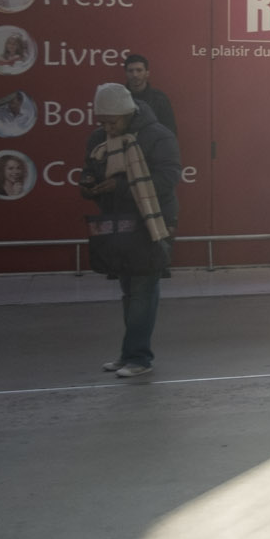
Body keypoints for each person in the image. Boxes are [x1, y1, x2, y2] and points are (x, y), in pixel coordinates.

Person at [80, 83, 180, 379]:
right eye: (102, 122)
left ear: (129, 113)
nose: (107, 128)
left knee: (142, 289)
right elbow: (90, 167)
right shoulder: (98, 138)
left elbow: (169, 177)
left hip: (152, 220)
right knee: (128, 290)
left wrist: (119, 186)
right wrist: (88, 183)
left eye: (113, 121)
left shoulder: (158, 136)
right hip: (117, 221)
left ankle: (139, 357)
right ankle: (129, 354)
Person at [124, 53, 178, 138]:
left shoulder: (160, 98)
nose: (135, 75)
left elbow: (170, 131)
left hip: (153, 149)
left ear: (147, 73)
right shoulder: (119, 97)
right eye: (131, 71)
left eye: (139, 70)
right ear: (126, 73)